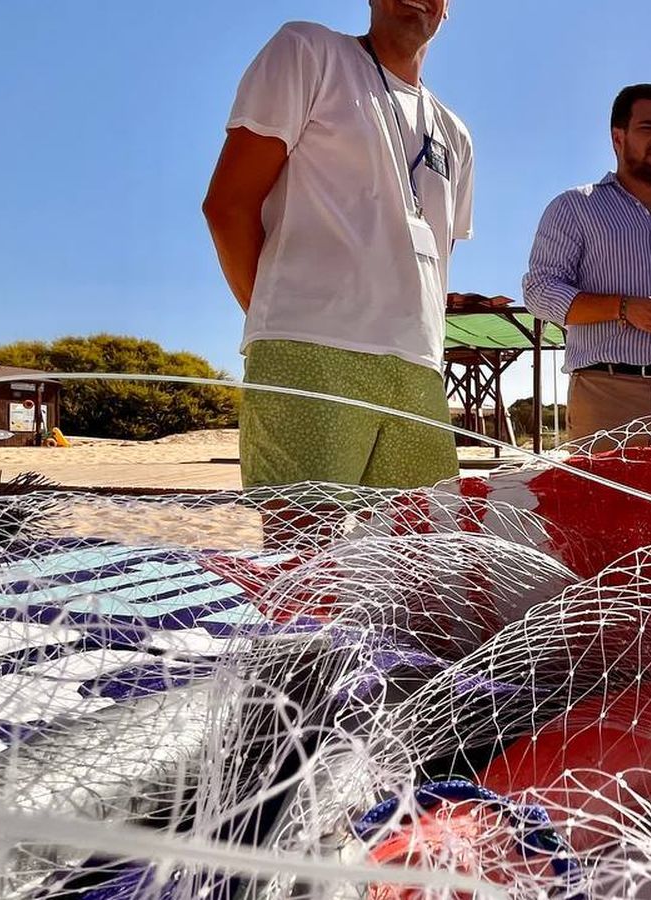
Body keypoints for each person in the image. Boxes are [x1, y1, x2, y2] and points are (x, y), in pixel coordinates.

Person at [202, 1, 473, 544]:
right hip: (311, 353)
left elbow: (435, 256)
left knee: (422, 567)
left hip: (416, 367)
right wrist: (285, 320)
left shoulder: (456, 135)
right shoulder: (309, 51)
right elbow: (227, 206)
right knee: (303, 561)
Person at [523, 84, 651, 450]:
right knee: (603, 508)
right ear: (618, 137)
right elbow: (539, 291)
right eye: (648, 128)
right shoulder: (574, 208)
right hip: (606, 396)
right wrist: (622, 308)